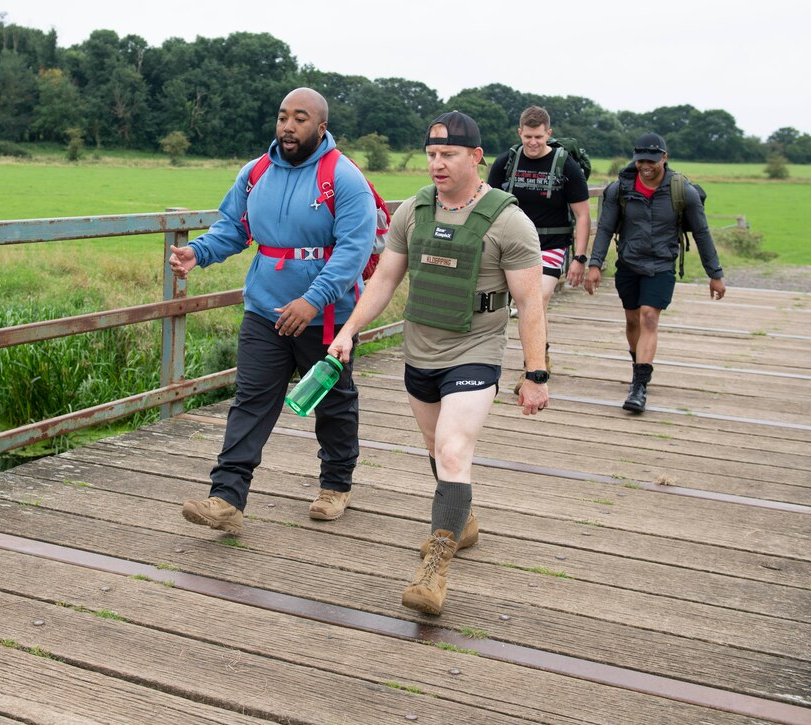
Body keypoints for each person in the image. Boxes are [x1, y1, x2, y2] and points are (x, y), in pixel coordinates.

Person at [329, 111, 549, 616]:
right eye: (431, 154)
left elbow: (531, 303)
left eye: (448, 154)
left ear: (476, 157)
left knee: (453, 449)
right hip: (420, 349)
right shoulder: (413, 212)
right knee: (436, 448)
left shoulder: (509, 221)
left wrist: (534, 373)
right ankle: (462, 516)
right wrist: (346, 332)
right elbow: (384, 281)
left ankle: (435, 568)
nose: (437, 164)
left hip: (476, 349)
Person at [170, 87, 377, 535]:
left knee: (334, 403)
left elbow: (354, 251)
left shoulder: (343, 178)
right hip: (265, 309)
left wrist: (313, 300)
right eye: (283, 116)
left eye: (300, 118)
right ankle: (226, 498)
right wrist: (198, 253)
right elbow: (233, 227)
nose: (288, 126)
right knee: (251, 400)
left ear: (320, 127)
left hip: (328, 316)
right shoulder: (256, 171)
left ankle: (336, 485)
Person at [584, 132, 725, 413]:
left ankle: (639, 385)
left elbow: (702, 232)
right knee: (633, 320)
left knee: (649, 317)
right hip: (629, 264)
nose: (645, 165)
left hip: (661, 264)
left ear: (664, 157)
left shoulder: (682, 190)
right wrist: (595, 264)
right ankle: (639, 364)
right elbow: (606, 228)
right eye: (640, 161)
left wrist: (715, 273)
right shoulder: (620, 189)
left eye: (651, 160)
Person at [486, 106, 591, 393]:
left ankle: (531, 369)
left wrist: (579, 258)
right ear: (520, 132)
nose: (533, 143)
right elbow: (486, 204)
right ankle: (539, 354)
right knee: (522, 303)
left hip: (551, 245)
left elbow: (582, 215)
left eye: (539, 137)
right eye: (528, 136)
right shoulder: (506, 162)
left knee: (535, 297)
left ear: (549, 134)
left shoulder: (565, 165)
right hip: (511, 245)